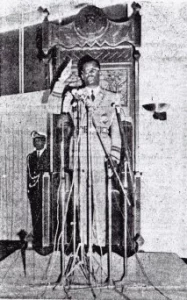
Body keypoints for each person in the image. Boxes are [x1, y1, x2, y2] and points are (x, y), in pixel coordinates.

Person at [48, 55, 122, 248]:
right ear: (81, 74)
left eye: (94, 70)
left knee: (100, 197)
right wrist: (61, 81)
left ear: (100, 72)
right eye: (86, 71)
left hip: (102, 152)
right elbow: (53, 107)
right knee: (82, 198)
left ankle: (100, 244)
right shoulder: (73, 94)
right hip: (80, 150)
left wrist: (114, 156)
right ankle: (85, 243)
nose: (90, 74)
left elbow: (117, 130)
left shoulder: (112, 97)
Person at [27, 131, 50, 248]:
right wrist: (29, 191)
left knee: (45, 216)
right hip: (34, 191)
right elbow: (29, 175)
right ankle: (37, 240)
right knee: (35, 215)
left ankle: (46, 241)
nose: (37, 143)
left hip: (46, 192)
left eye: (39, 140)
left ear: (44, 141)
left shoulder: (49, 155)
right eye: (35, 141)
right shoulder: (30, 157)